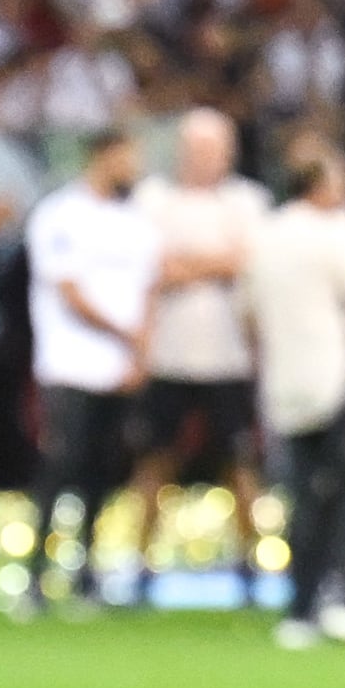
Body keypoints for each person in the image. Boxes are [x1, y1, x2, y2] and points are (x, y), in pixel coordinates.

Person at [242, 135, 345, 642]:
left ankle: (301, 609)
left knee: (303, 498)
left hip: (284, 384)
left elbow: (249, 317)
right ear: (322, 184)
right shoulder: (337, 230)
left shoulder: (265, 234)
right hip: (334, 378)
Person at [119, 110, 267, 593]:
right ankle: (140, 563)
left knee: (239, 464)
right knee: (155, 462)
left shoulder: (249, 200)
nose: (206, 158)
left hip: (228, 358)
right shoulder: (153, 200)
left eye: (215, 148)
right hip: (168, 356)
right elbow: (150, 268)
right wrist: (216, 263)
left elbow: (249, 264)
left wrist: (188, 265)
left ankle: (252, 564)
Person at [21, 131, 153, 599]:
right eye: (127, 156)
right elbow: (69, 291)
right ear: (102, 157)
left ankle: (85, 570)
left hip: (118, 371)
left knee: (104, 470)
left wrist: (140, 352)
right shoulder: (60, 215)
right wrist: (127, 335)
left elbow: (148, 287)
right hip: (70, 365)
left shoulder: (136, 220)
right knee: (61, 465)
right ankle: (36, 572)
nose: (134, 166)